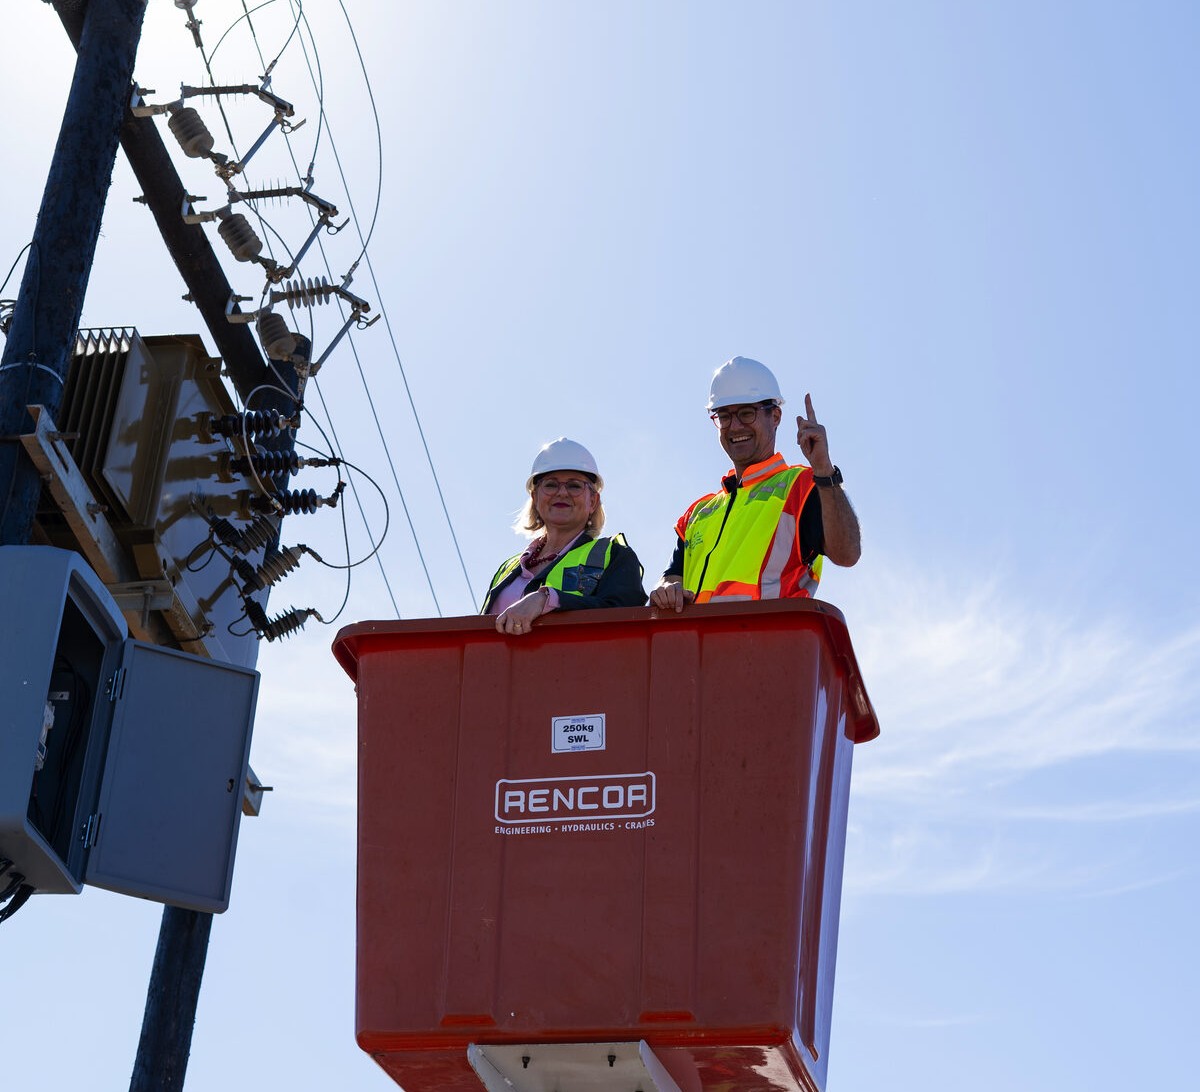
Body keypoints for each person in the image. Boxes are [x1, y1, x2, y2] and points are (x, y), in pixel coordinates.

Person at [649, 356, 861, 611]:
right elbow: (671, 579)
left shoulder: (802, 487)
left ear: (776, 416)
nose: (735, 426)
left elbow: (847, 554)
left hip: (767, 646)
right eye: (724, 416)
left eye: (747, 413)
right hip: (699, 648)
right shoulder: (698, 514)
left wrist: (825, 470)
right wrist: (665, 589)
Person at [484, 438, 647, 635]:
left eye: (574, 486)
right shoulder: (507, 569)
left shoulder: (614, 555)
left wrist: (546, 600)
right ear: (535, 498)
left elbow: (627, 616)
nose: (562, 493)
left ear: (593, 501)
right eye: (551, 485)